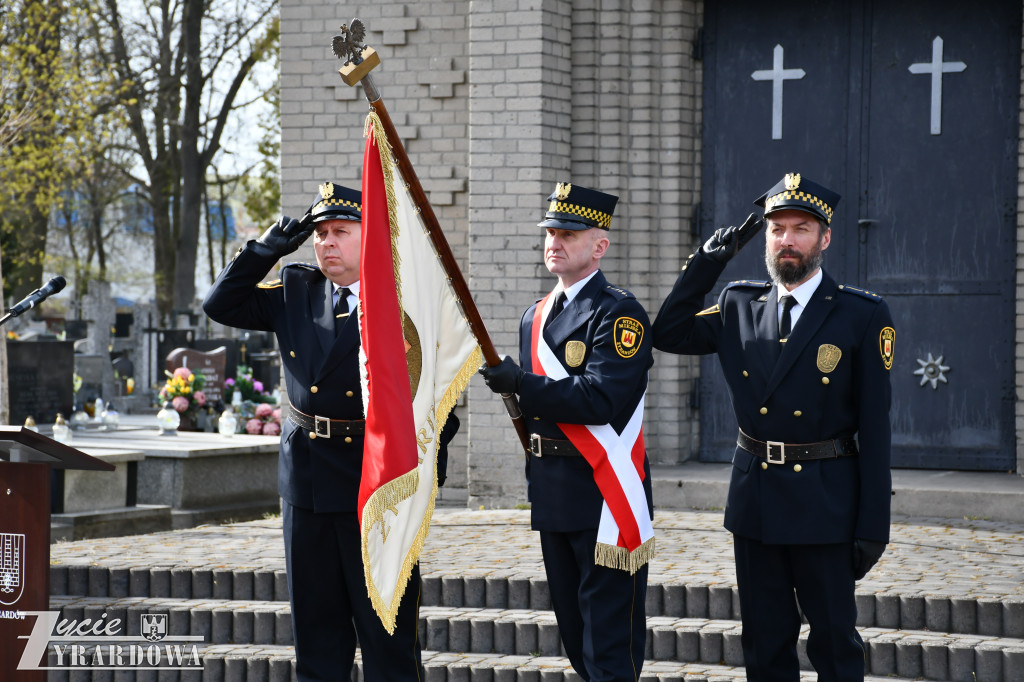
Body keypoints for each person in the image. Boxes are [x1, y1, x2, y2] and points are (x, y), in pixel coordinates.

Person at [203, 181, 456, 681]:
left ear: (373, 238)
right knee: (317, 638)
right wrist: (266, 250)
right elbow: (221, 305)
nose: (326, 243)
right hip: (308, 483)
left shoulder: (404, 304)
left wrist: (421, 477)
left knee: (388, 638)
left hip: (375, 485)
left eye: (341, 231)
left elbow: (436, 403)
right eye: (320, 234)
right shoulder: (296, 289)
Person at [652, 173, 894, 682]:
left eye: (801, 228)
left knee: (834, 642)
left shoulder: (861, 315)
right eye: (776, 228)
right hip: (757, 500)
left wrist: (873, 526)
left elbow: (875, 430)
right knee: (764, 643)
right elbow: (668, 333)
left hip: (826, 503)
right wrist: (707, 263)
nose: (787, 239)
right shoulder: (740, 303)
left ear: (824, 238)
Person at [479, 182, 654, 682]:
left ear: (599, 246)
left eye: (569, 234)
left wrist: (523, 384)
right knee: (576, 636)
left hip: (604, 492)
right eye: (551, 232)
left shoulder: (618, 313)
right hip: (553, 489)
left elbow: (600, 399)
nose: (555, 241)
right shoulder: (534, 315)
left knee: (609, 641)